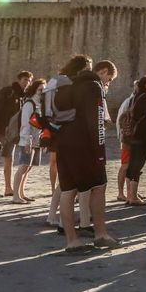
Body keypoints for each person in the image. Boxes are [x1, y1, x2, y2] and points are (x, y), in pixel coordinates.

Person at [57, 59, 121, 254]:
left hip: (63, 143)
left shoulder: (67, 85)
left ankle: (71, 240)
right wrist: (100, 152)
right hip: (85, 144)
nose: (108, 84)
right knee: (98, 186)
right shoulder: (94, 87)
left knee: (68, 191)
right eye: (108, 80)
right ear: (101, 72)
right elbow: (97, 123)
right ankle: (101, 235)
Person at [45, 57, 91, 232]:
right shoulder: (69, 84)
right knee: (72, 183)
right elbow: (70, 109)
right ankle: (69, 224)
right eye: (88, 68)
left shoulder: (56, 80)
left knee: (66, 181)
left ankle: (59, 220)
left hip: (57, 131)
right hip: (70, 132)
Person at [0, 71, 31, 198]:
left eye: (29, 80)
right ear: (19, 79)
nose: (26, 83)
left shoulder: (24, 96)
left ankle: (8, 188)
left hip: (12, 133)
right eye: (24, 79)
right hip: (0, 130)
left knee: (9, 158)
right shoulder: (7, 91)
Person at [12, 77, 47, 204]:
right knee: (23, 167)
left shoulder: (40, 105)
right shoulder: (29, 104)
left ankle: (21, 193)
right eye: (40, 90)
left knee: (28, 168)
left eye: (44, 90)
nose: (42, 92)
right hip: (27, 140)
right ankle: (15, 195)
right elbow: (25, 124)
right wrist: (26, 141)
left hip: (36, 140)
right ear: (34, 90)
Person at [124, 75, 146, 206]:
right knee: (138, 164)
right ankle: (133, 197)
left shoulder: (136, 96)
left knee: (132, 164)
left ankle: (129, 195)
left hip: (134, 134)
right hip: (143, 135)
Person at [115, 91, 135, 201]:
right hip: (127, 140)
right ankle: (121, 193)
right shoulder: (129, 104)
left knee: (132, 166)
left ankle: (131, 191)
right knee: (125, 166)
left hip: (129, 140)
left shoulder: (131, 102)